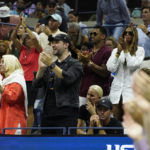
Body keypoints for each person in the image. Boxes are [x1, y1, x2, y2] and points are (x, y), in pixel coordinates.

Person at [34, 34, 83, 135]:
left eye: (56, 42)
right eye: (52, 43)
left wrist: (51, 65)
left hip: (66, 113)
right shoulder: (51, 65)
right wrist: (42, 68)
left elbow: (67, 78)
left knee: (65, 146)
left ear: (66, 45)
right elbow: (36, 84)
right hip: (47, 114)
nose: (53, 45)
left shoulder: (75, 64)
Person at [11, 16, 42, 132]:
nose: (26, 39)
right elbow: (13, 37)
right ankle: (18, 130)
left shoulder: (38, 49)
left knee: (29, 108)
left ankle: (28, 134)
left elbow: (34, 39)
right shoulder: (23, 49)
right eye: (25, 38)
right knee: (19, 107)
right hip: (20, 81)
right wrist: (20, 24)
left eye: (28, 38)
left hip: (31, 82)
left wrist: (27, 27)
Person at [106, 26, 145, 120]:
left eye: (130, 33)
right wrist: (118, 53)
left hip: (131, 88)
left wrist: (126, 50)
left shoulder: (139, 50)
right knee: (115, 118)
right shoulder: (116, 50)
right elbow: (110, 68)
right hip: (116, 88)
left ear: (134, 36)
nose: (127, 35)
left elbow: (133, 65)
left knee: (129, 119)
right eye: (125, 33)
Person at [79, 26, 112, 106]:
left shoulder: (107, 51)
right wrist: (82, 63)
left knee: (100, 118)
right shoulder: (88, 52)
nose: (92, 35)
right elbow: (82, 72)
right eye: (91, 33)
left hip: (100, 94)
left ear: (103, 36)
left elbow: (104, 73)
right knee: (82, 118)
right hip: (84, 92)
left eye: (95, 33)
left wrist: (89, 63)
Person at [0, 54, 27, 135]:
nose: (0, 64)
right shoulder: (5, 80)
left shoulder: (17, 80)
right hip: (5, 118)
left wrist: (1, 88)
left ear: (10, 63)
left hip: (14, 121)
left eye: (3, 62)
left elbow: (12, 98)